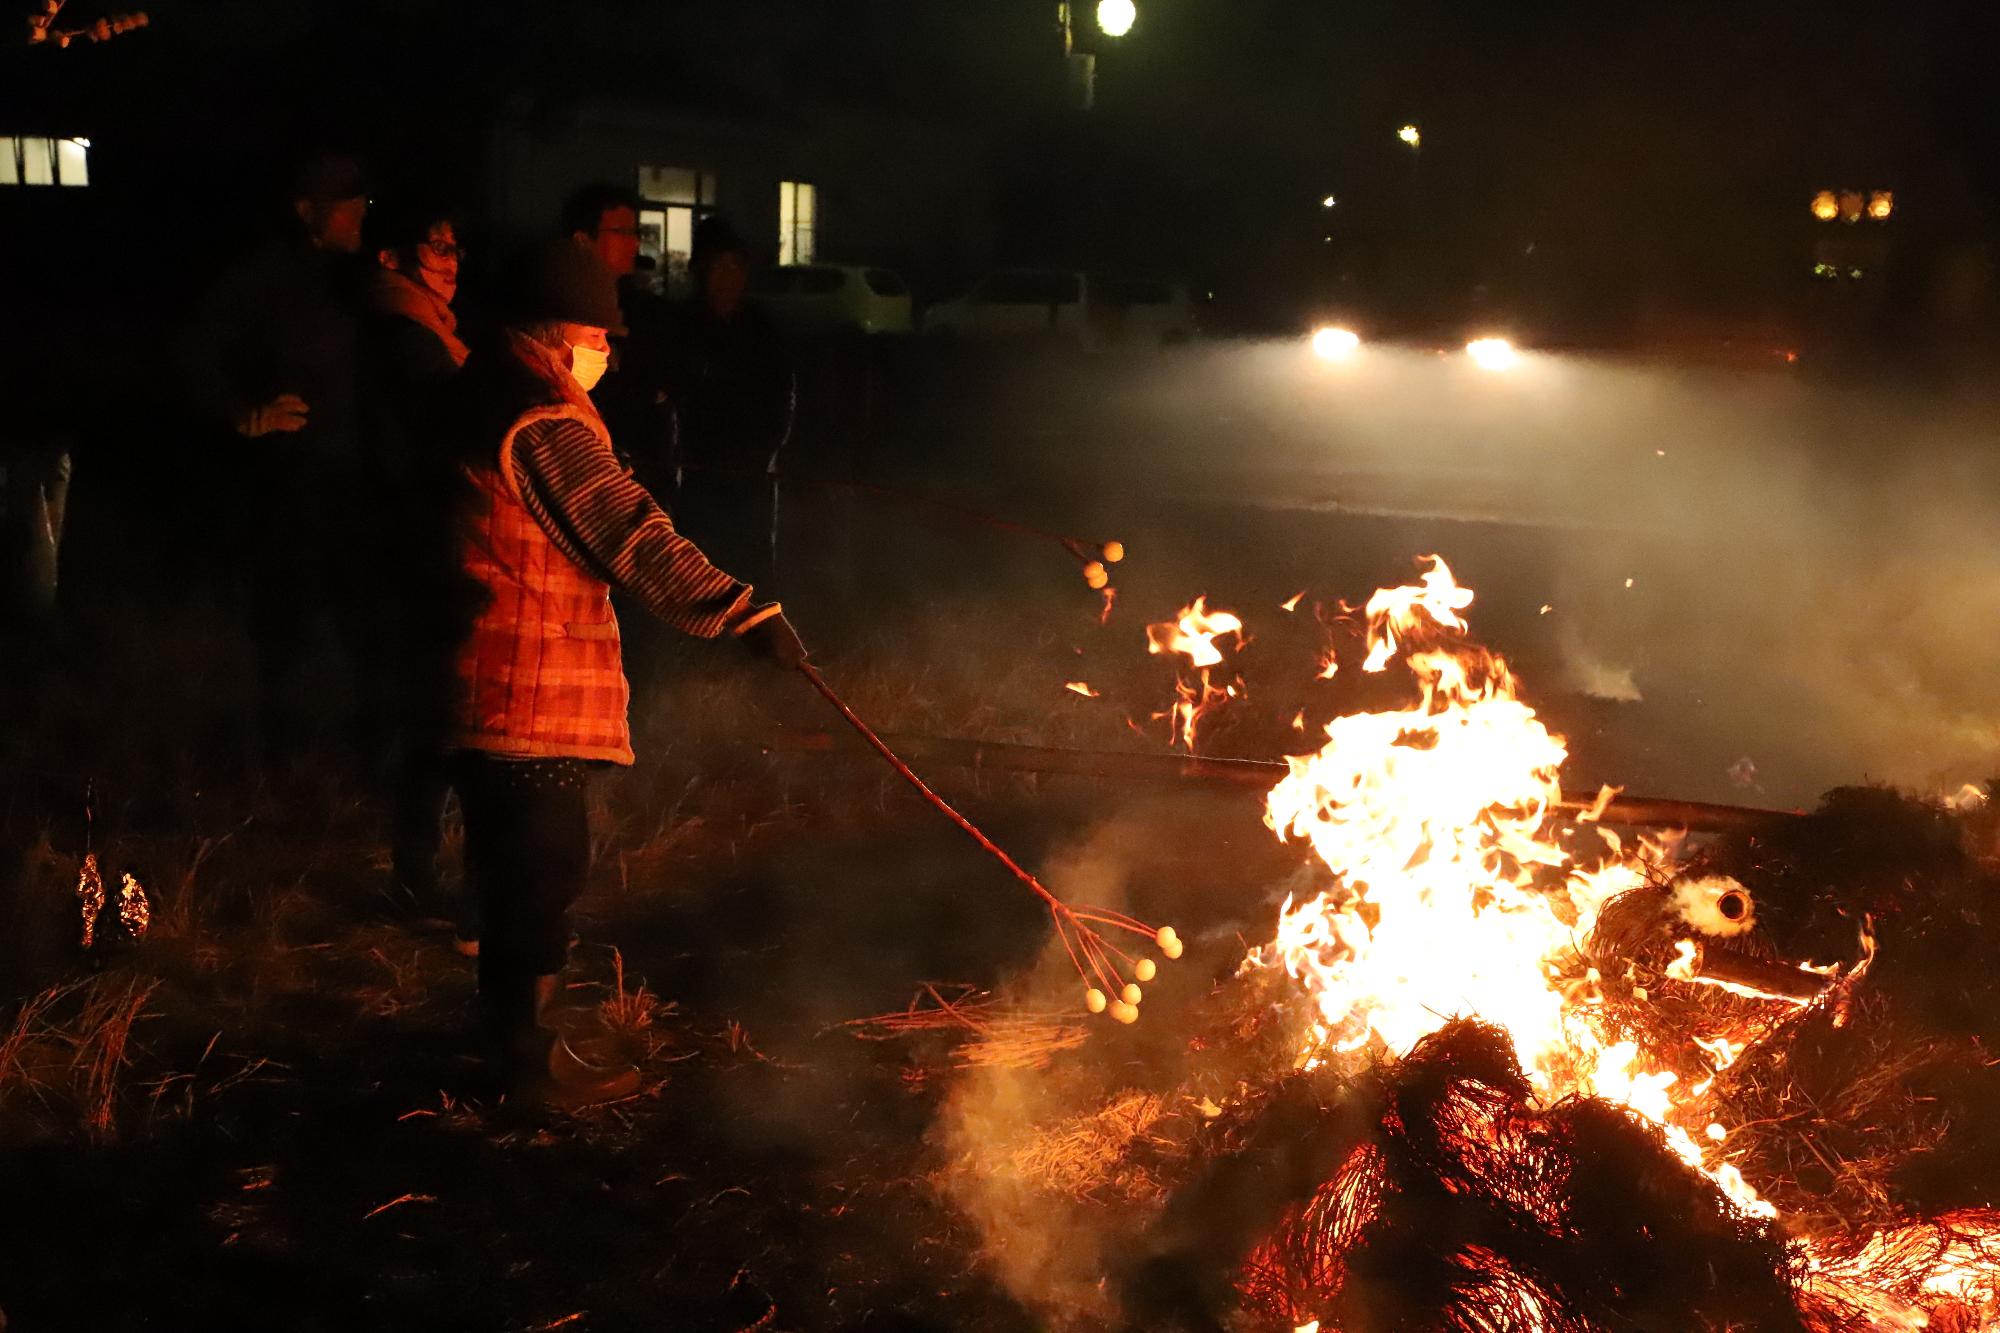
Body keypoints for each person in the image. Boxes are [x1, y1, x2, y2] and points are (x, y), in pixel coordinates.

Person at [446, 240, 807, 1110]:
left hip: (485, 679)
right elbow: (632, 536)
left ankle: (512, 1048)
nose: (610, 349)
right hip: (523, 685)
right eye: (601, 333)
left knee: (517, 873)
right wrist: (744, 613)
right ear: (565, 330)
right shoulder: (543, 419)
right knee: (540, 871)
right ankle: (527, 1066)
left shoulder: (486, 391)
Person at [177, 151, 370, 776]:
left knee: (357, 622)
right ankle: (279, 765)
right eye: (346, 203)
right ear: (307, 211)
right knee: (286, 627)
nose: (358, 213)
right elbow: (195, 353)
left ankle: (350, 757)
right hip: (293, 482)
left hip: (358, 477)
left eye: (361, 201)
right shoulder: (263, 279)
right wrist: (244, 414)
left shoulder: (357, 281)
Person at [358, 200, 474, 943]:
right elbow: (445, 430)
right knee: (438, 714)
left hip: (416, 535)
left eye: (455, 243)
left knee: (436, 712)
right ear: (391, 257)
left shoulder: (429, 328)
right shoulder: (406, 335)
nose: (451, 258)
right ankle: (418, 875)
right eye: (434, 244)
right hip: (418, 540)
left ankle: (420, 869)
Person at [661, 214, 796, 592]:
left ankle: (756, 628)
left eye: (734, 265)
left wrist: (766, 447)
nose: (725, 276)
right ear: (699, 270)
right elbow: (670, 393)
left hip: (751, 464)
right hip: (695, 463)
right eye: (716, 266)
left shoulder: (762, 328)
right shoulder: (681, 326)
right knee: (697, 552)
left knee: (753, 554)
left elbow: (782, 393)